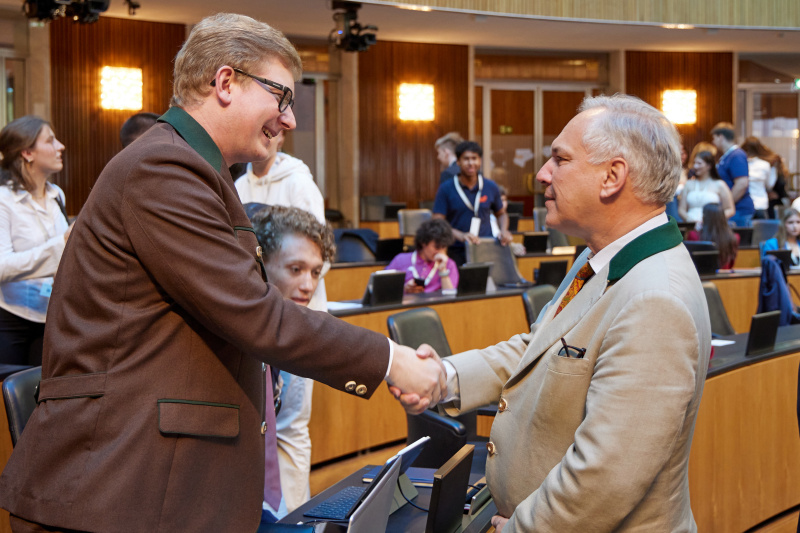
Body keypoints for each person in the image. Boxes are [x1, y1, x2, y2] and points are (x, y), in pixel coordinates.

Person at [0, 14, 446, 533]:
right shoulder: (164, 168)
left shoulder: (195, 167)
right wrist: (391, 360)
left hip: (164, 484)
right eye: (281, 97)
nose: (289, 119)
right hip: (116, 486)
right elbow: (254, 313)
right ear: (226, 82)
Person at [396, 94, 711, 532]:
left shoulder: (656, 300)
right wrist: (445, 377)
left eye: (560, 159)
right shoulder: (597, 258)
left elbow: (604, 477)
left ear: (612, 176)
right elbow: (539, 349)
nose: (543, 174)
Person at [236, 130, 326, 518]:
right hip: (255, 319)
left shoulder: (299, 181)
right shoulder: (237, 185)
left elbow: (316, 250)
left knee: (289, 425)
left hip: (298, 322)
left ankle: (294, 514)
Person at [248, 204, 333, 521]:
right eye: (295, 269)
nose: (309, 285)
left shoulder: (283, 332)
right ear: (262, 264)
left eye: (315, 272)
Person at [0, 116, 70, 366]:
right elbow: (2, 267)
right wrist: (61, 245)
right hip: (10, 320)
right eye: (50, 140)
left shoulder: (56, 195)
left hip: (52, 316)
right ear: (28, 153)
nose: (60, 146)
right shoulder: (4, 200)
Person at [433, 141, 511, 266]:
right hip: (457, 248)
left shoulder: (490, 186)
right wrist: (461, 235)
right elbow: (437, 221)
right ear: (458, 161)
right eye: (466, 159)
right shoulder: (446, 188)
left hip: (485, 247)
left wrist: (504, 230)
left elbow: (501, 213)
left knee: (488, 284)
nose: (471, 163)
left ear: (480, 160)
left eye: (474, 158)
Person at [386, 218, 459, 293]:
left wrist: (443, 271)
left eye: (443, 247)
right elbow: (384, 287)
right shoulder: (400, 260)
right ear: (423, 242)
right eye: (436, 247)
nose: (440, 252)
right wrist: (404, 289)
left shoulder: (449, 264)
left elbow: (450, 297)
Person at [711, 122, 754, 227]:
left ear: (720, 137)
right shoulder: (728, 155)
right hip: (735, 210)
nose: (713, 142)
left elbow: (742, 184)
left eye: (714, 138)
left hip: (739, 211)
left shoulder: (736, 155)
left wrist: (727, 205)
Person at [678, 150, 735, 223]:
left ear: (709, 166)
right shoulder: (688, 184)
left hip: (712, 226)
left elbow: (730, 209)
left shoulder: (720, 184)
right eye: (694, 163)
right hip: (691, 225)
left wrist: (715, 219)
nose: (695, 166)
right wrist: (690, 220)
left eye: (699, 163)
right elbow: (681, 209)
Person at [686, 203, 740, 269]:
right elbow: (731, 264)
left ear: (704, 217)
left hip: (701, 277)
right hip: (725, 276)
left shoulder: (693, 235)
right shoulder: (734, 237)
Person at [741, 137, 774, 220]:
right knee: (763, 231)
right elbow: (769, 185)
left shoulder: (740, 163)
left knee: (746, 231)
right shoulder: (764, 165)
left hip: (745, 203)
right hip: (760, 203)